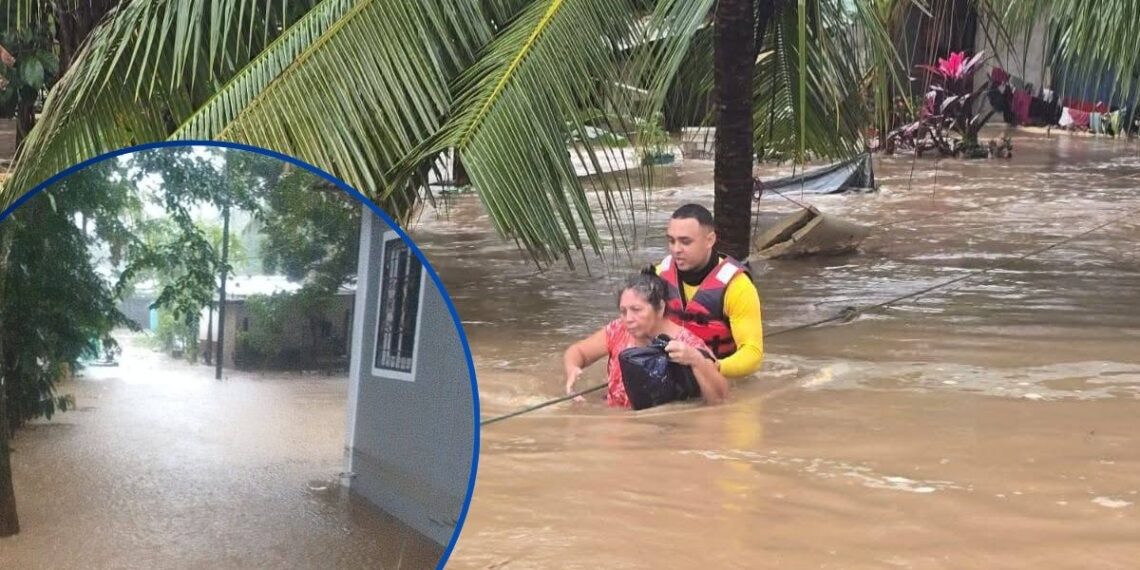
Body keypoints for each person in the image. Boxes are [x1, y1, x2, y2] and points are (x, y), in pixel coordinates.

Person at [563, 272, 728, 409]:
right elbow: (578, 352)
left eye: (636, 310)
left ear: (660, 308)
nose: (628, 319)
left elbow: (721, 399)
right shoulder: (618, 330)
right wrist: (572, 368)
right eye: (623, 311)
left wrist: (696, 360)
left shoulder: (686, 344)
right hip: (616, 417)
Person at [653, 204, 763, 378]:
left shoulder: (738, 287)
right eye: (671, 241)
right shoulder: (659, 275)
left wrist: (712, 366)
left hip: (720, 377)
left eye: (685, 241)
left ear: (710, 240)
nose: (676, 249)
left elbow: (753, 353)